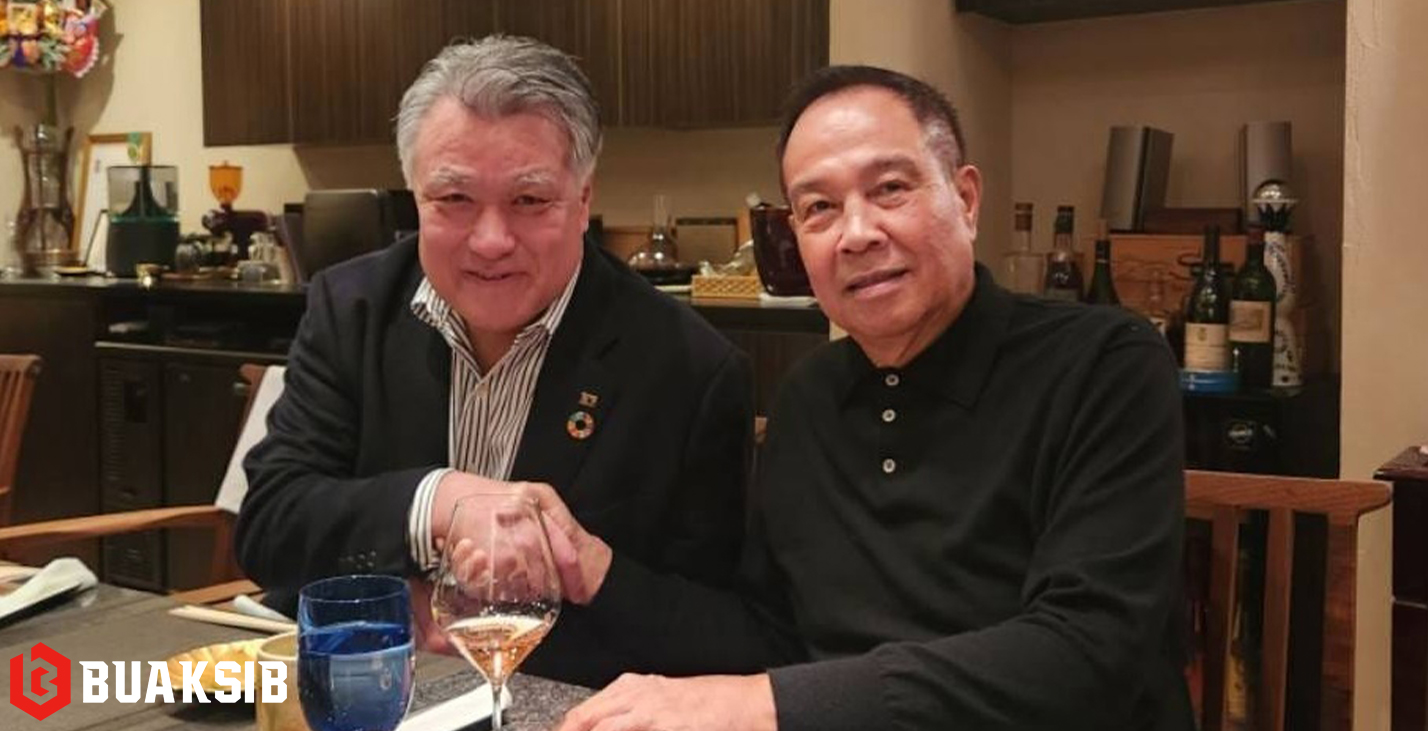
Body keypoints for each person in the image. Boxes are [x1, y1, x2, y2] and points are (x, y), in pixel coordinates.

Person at [537, 65, 1194, 730]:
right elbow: (765, 634)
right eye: (819, 208)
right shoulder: (808, 398)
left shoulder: (1103, 363)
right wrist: (594, 569)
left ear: (966, 199)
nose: (856, 233)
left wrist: (765, 702)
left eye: (890, 189)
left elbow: (1086, 654)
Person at [234, 36, 754, 688]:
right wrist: (442, 501)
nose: (490, 241)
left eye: (529, 201)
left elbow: (720, 634)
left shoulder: (689, 368)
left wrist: (540, 598)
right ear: (415, 196)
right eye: (453, 199)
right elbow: (270, 526)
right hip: (361, 686)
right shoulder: (352, 308)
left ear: (583, 198)